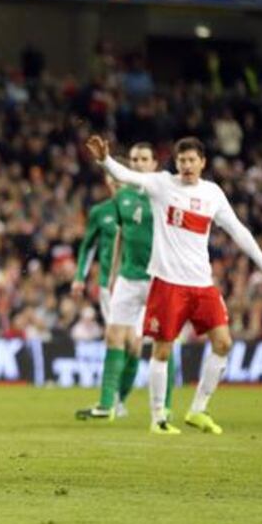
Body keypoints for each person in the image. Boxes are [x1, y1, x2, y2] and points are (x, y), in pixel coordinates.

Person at [86, 135, 262, 434]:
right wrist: (105, 160)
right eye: (182, 160)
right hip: (168, 284)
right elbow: (125, 175)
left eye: (192, 160)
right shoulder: (162, 185)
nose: (187, 165)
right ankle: (158, 418)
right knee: (161, 351)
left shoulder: (212, 193)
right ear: (176, 164)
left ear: (202, 162)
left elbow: (238, 230)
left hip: (202, 284)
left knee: (224, 343)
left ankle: (198, 410)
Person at [76, 143, 174, 421]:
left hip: (160, 279)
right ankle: (108, 405)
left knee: (161, 341)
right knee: (115, 336)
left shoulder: (166, 196)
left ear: (155, 163)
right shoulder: (123, 198)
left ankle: (163, 405)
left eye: (144, 158)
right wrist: (111, 276)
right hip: (128, 279)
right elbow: (119, 237)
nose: (139, 163)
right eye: (134, 159)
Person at [71, 175, 119, 331]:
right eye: (112, 181)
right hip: (108, 283)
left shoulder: (146, 209)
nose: (115, 185)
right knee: (115, 334)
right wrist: (79, 276)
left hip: (138, 279)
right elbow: (88, 246)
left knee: (141, 337)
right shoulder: (100, 212)